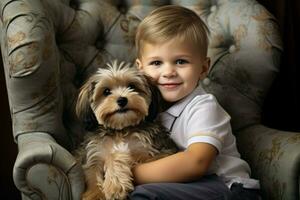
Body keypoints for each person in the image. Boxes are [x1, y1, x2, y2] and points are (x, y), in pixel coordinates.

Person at [130, 5, 261, 200]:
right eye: (156, 63)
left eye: (181, 61)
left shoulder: (203, 106)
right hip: (189, 187)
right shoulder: (145, 110)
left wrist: (130, 174)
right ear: (140, 69)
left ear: (203, 68)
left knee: (145, 195)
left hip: (228, 187)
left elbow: (196, 162)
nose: (168, 72)